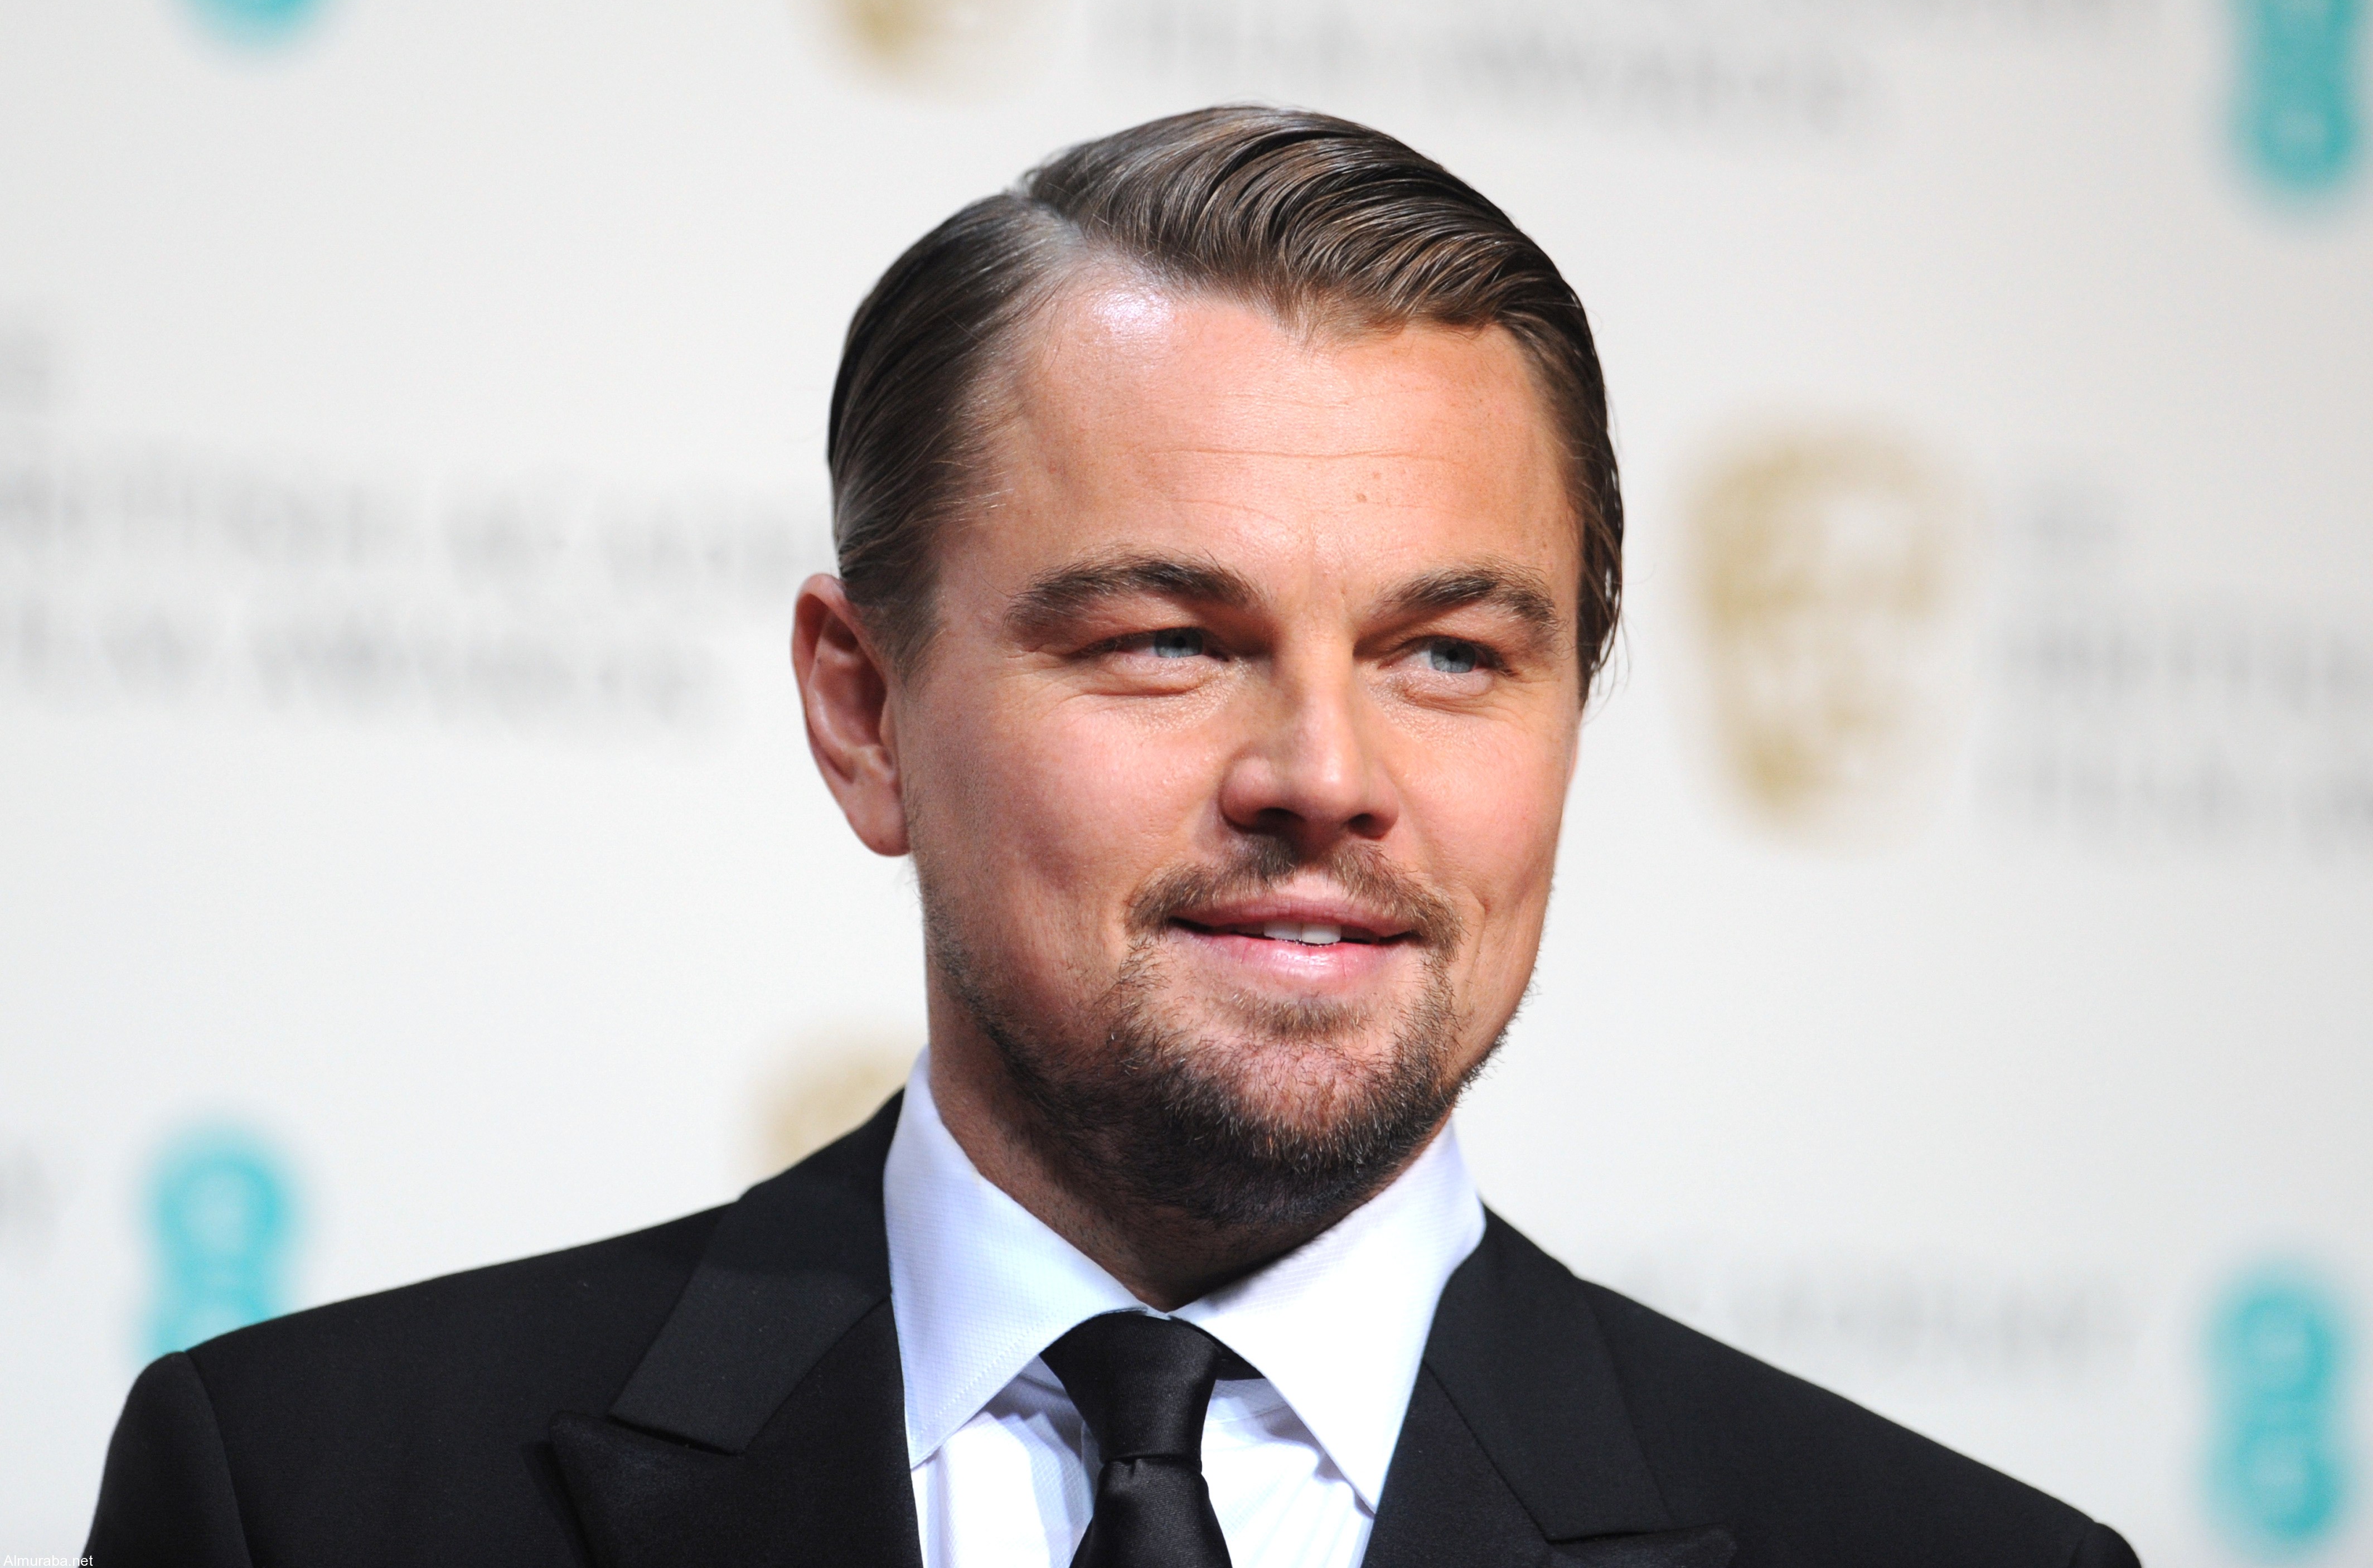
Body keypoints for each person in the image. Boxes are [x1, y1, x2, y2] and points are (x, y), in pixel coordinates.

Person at [85, 106, 2139, 1568]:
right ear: (863, 709)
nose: (1324, 773)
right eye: (1170, 641)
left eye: (1446, 653)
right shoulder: (315, 1497)